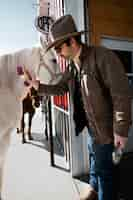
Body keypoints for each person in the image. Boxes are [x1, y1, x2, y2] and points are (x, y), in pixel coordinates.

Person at [32, 15, 132, 200]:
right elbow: (61, 88)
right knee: (95, 161)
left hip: (107, 132)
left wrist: (121, 129)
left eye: (58, 47)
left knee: (106, 175)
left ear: (71, 41)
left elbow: (121, 94)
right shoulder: (73, 67)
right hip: (91, 129)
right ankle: (93, 190)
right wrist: (39, 87)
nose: (58, 53)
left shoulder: (102, 57)